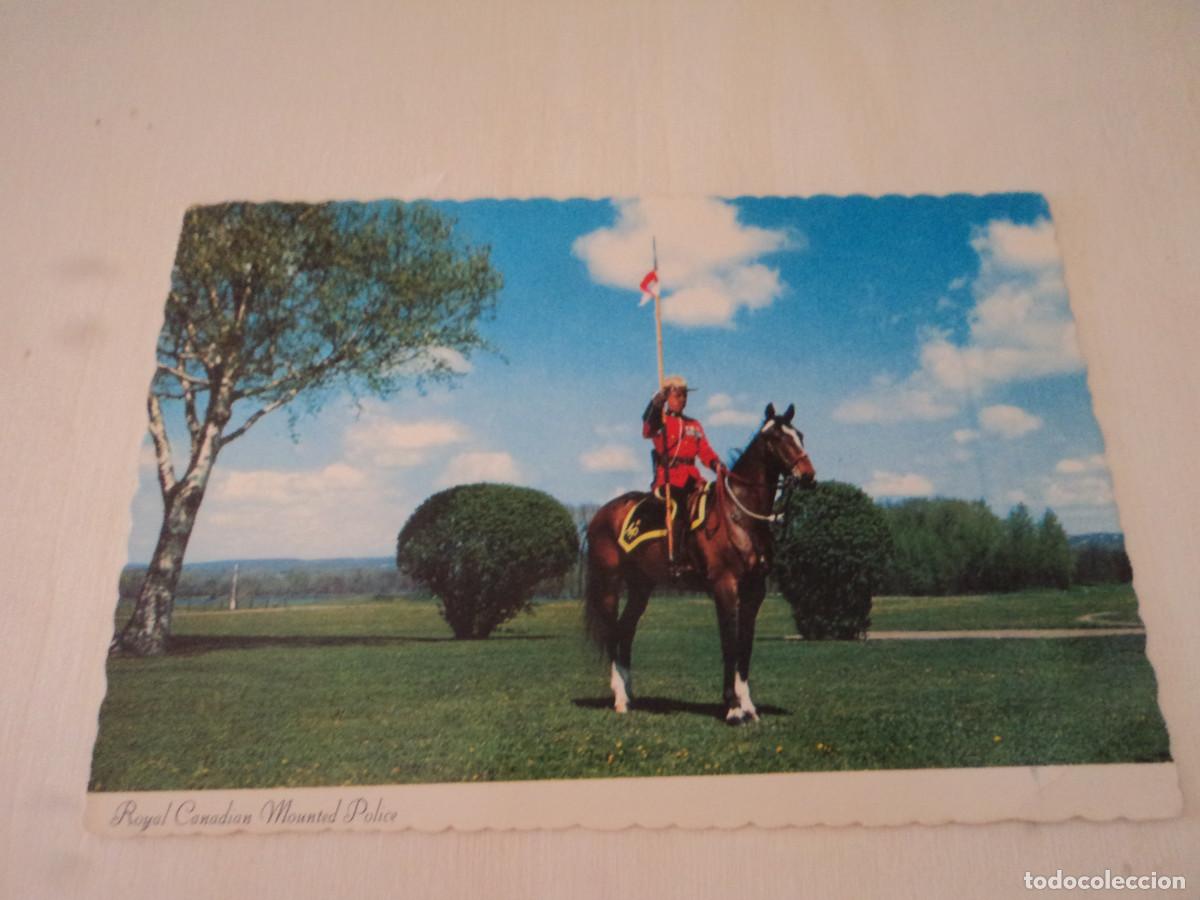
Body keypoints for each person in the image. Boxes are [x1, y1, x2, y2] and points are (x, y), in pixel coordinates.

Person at [642, 375, 726, 571]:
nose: (682, 399)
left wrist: (716, 465)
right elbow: (646, 430)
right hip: (669, 479)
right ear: (668, 397)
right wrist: (655, 404)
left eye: (685, 396)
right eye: (678, 395)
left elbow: (704, 450)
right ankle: (677, 558)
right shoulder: (660, 420)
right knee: (679, 507)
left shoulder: (694, 425)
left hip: (693, 479)